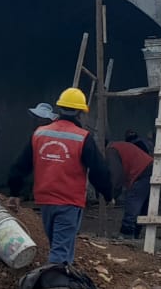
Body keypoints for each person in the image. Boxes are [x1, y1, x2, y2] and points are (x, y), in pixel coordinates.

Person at [7, 87, 112, 265]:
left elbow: (20, 166)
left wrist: (14, 191)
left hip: (45, 200)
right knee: (60, 251)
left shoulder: (39, 134)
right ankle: (55, 287)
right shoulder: (82, 137)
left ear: (60, 108)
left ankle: (64, 277)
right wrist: (108, 194)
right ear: (80, 113)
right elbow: (98, 170)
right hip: (69, 202)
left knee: (59, 244)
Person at [107, 133, 155, 238]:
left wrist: (111, 195)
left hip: (142, 171)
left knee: (133, 200)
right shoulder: (117, 147)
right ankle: (136, 233)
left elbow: (116, 175)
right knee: (143, 203)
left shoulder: (111, 151)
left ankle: (126, 232)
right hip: (149, 167)